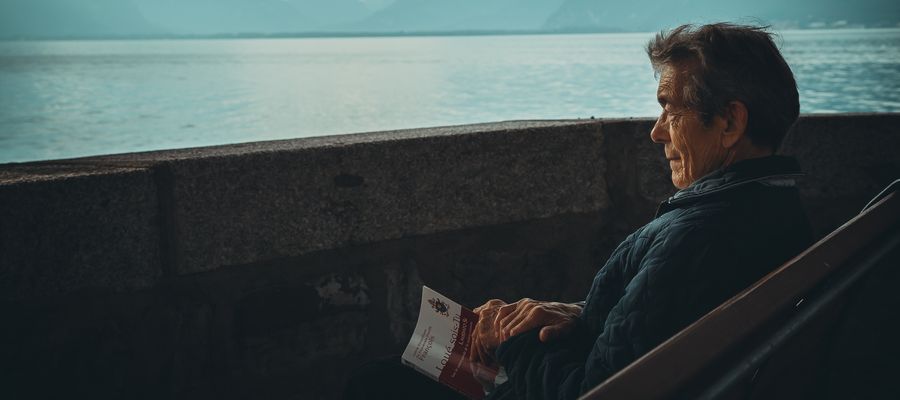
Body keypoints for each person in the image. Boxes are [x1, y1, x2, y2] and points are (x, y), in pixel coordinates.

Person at [345, 22, 812, 400]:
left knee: (377, 383)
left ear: (730, 122)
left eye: (671, 110)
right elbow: (653, 324)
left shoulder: (699, 236)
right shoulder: (772, 207)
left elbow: (595, 390)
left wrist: (510, 340)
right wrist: (573, 314)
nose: (657, 133)